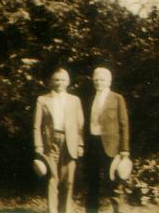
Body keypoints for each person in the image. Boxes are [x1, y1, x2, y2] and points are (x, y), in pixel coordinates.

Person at [33, 68, 85, 213]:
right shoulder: (42, 100)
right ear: (51, 82)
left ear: (68, 82)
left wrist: (80, 144)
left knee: (68, 180)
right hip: (51, 142)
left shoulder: (75, 100)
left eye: (62, 80)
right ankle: (52, 210)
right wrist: (38, 146)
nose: (59, 83)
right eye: (56, 80)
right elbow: (37, 126)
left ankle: (66, 210)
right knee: (52, 178)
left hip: (71, 141)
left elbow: (80, 125)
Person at [84, 67, 130, 213]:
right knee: (92, 183)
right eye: (96, 79)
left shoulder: (117, 98)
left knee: (114, 184)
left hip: (111, 147)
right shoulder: (89, 98)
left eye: (102, 79)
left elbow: (124, 125)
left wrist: (125, 150)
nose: (99, 82)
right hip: (92, 144)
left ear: (109, 81)